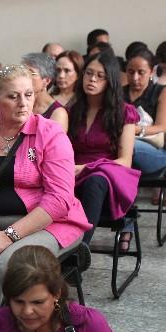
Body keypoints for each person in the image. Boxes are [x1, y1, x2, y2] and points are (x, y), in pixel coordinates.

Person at [0, 64, 90, 307]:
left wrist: (8, 236)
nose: (23, 103)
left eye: (28, 95)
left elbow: (59, 201)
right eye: (13, 96)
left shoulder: (50, 134)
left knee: (7, 267)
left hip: (49, 224)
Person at [68, 52, 140, 245]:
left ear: (111, 81)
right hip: (74, 174)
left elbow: (125, 160)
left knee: (95, 180)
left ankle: (79, 251)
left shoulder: (125, 112)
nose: (92, 79)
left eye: (100, 76)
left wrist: (86, 168)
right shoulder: (72, 111)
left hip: (110, 176)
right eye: (89, 73)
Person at [125, 49, 166, 181]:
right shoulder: (119, 93)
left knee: (129, 145)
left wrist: (135, 130)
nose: (135, 77)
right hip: (122, 142)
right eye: (131, 72)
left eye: (141, 72)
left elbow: (162, 126)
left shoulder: (161, 92)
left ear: (151, 72)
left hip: (154, 150)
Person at [22, 53, 68, 132]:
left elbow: (55, 144)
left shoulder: (58, 113)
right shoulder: (19, 103)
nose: (23, 77)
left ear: (46, 80)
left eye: (30, 73)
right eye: (22, 72)